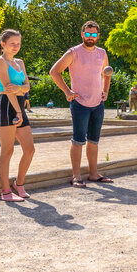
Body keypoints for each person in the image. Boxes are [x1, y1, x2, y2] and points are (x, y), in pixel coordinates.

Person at [49, 20, 113, 187]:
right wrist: (67, 92)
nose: (90, 37)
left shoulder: (102, 53)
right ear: (82, 34)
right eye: (87, 33)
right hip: (80, 103)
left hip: (97, 103)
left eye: (93, 34)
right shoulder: (74, 52)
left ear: (98, 36)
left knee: (94, 140)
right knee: (78, 140)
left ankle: (93, 174)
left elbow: (107, 73)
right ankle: (76, 176)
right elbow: (54, 72)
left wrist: (105, 91)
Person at [0, 29, 35, 202]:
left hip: (19, 106)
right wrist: (18, 109)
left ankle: (19, 184)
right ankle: (5, 192)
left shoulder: (20, 62)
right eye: (12, 43)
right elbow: (6, 88)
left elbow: (27, 87)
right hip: (6, 106)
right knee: (7, 150)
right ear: (3, 44)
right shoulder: (0, 62)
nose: (16, 46)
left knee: (30, 149)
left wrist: (20, 89)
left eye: (18, 43)